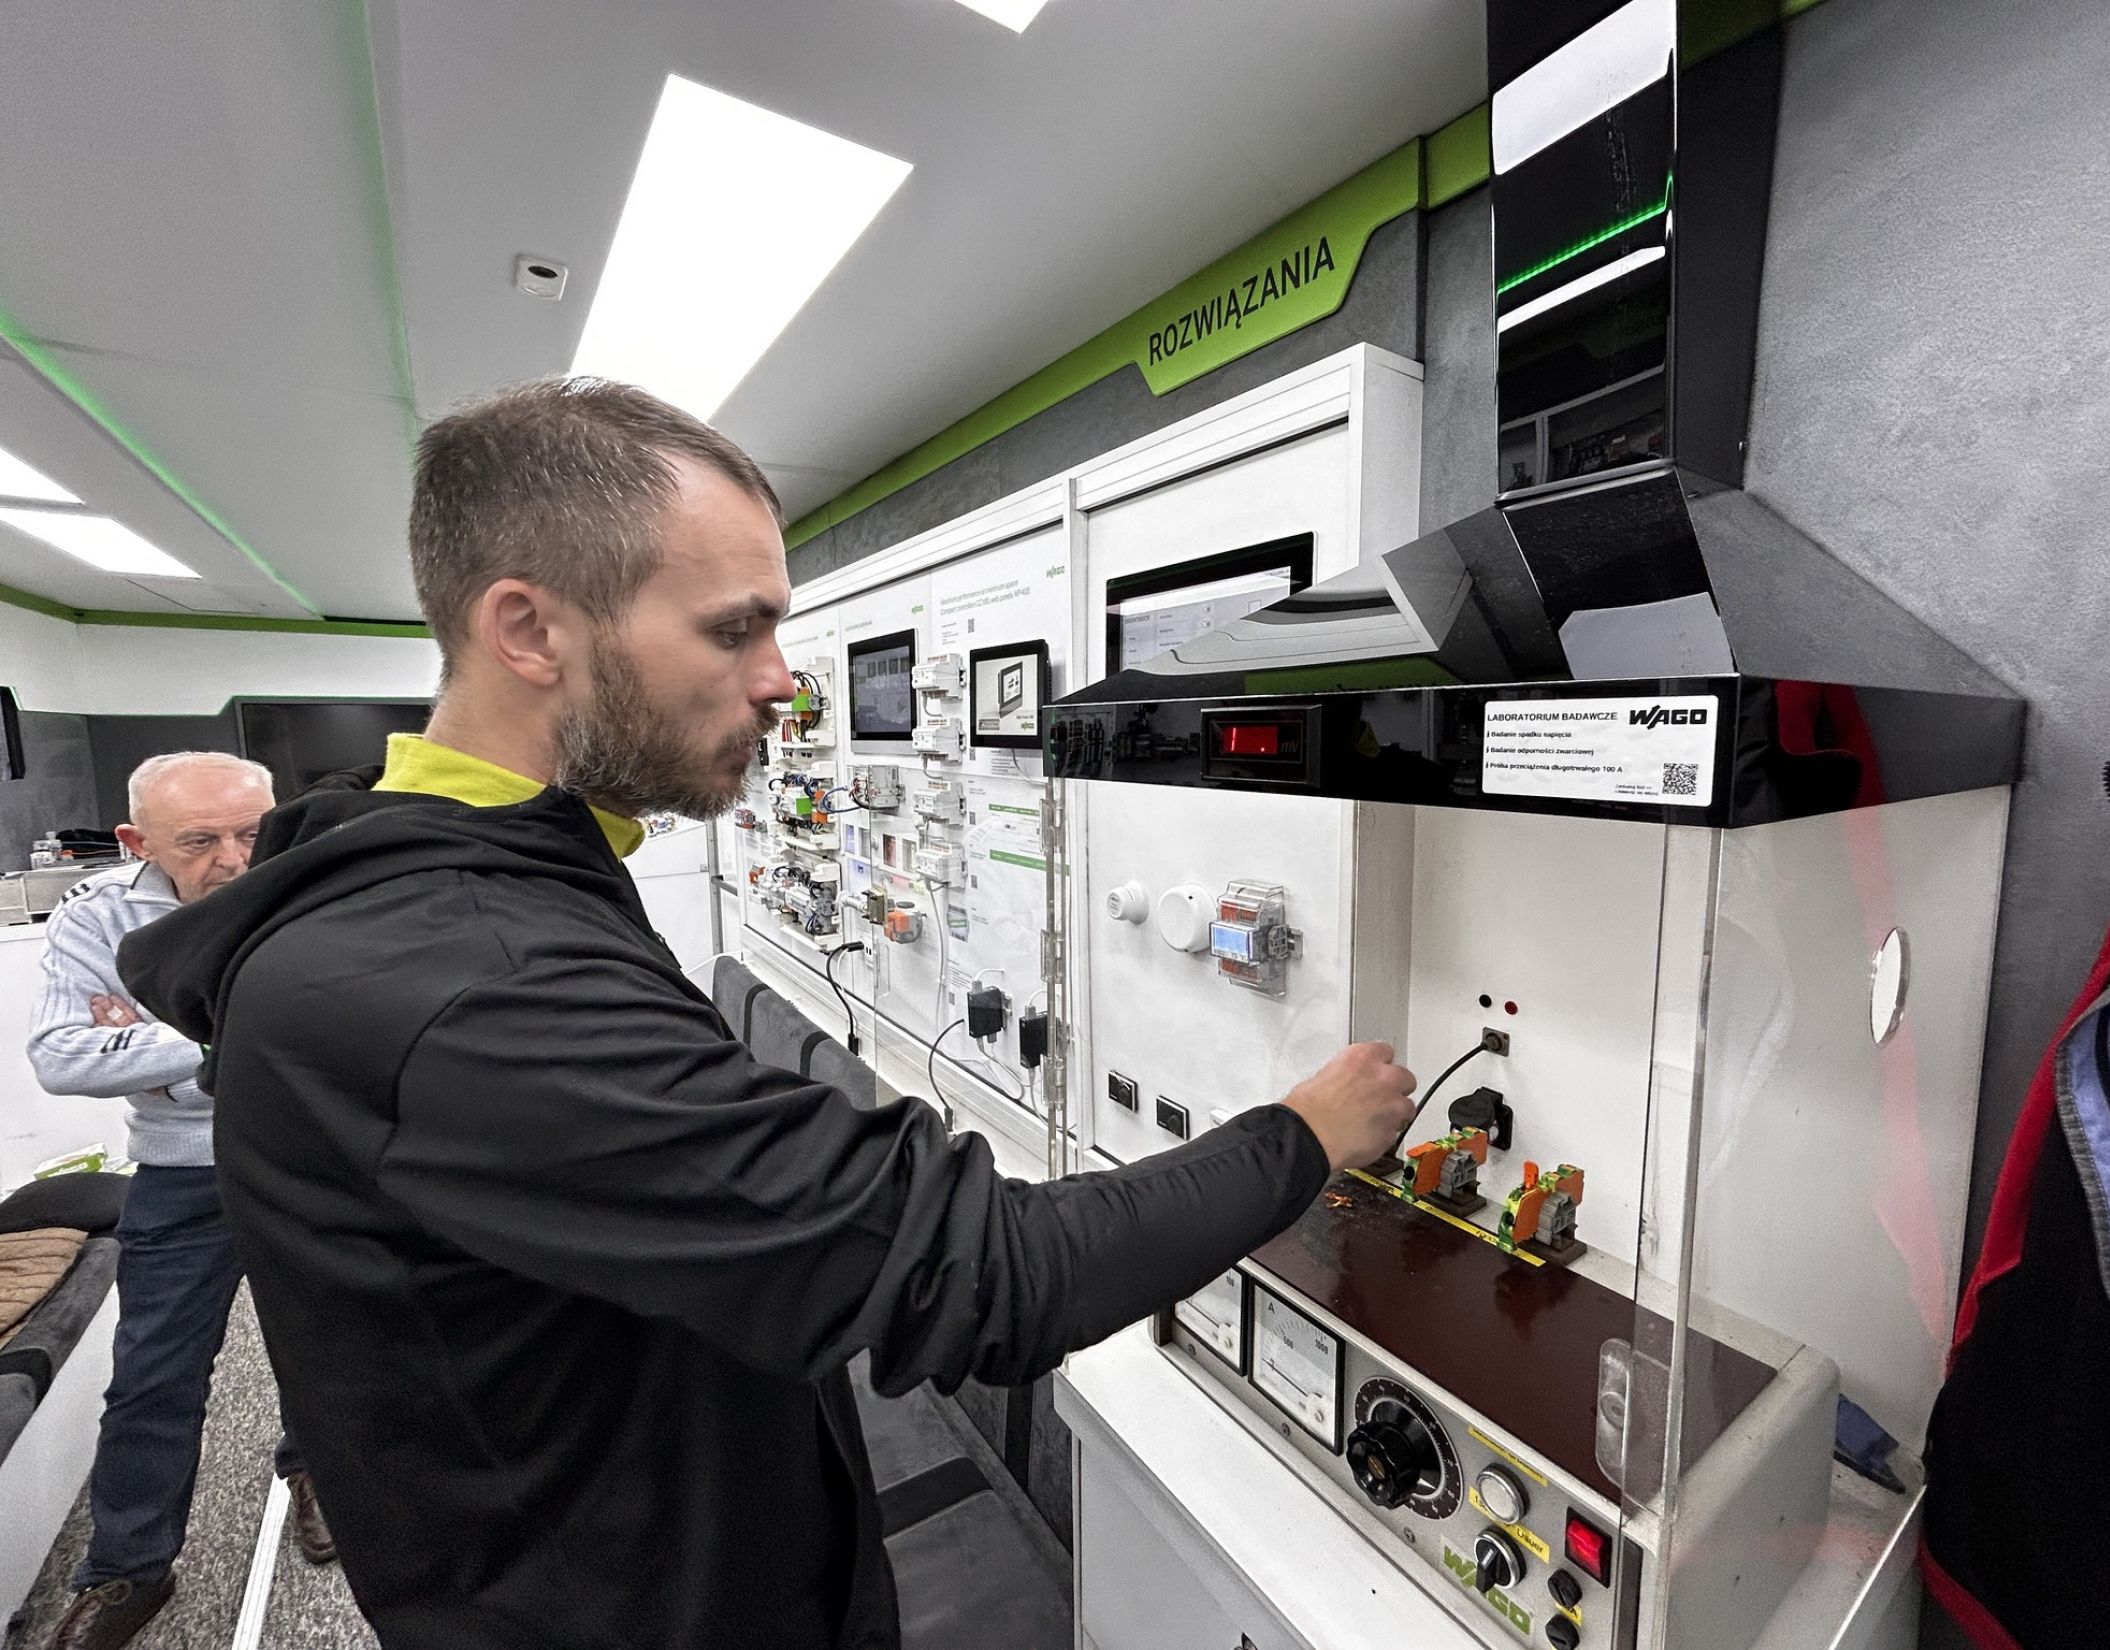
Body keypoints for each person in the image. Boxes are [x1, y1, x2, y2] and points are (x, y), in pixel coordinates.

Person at [117, 378, 1418, 1650]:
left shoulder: (469, 871)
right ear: (530, 630)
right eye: (734, 629)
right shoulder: (465, 981)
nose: (781, 681)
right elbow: (993, 1275)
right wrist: (1306, 1130)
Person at [28, 752, 335, 1650]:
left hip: (310, 1158)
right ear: (137, 841)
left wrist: (153, 1037)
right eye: (200, 842)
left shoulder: (313, 886)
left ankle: (319, 1477)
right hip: (180, 1171)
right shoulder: (98, 916)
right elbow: (61, 1056)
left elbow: (356, 1024)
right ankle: (126, 1569)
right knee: (152, 1376)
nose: (234, 860)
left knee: (325, 1349)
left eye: (251, 833)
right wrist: (230, 1032)